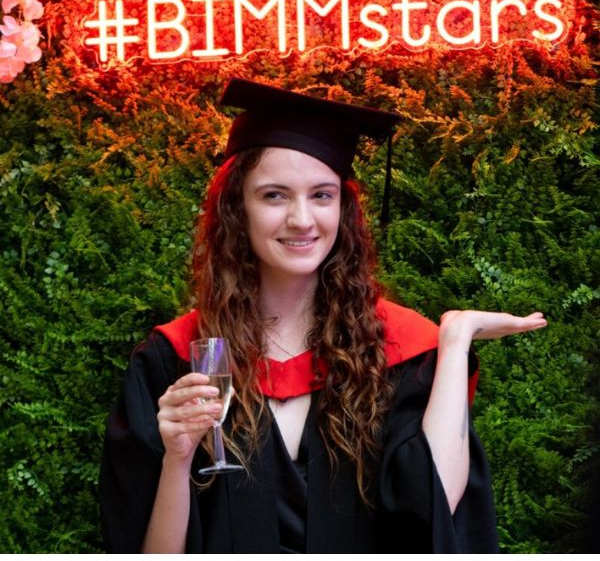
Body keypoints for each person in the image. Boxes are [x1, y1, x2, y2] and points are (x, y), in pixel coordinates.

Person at [99, 78, 547, 553]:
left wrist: (455, 341)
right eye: (274, 195)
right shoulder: (175, 360)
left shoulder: (397, 349)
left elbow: (431, 512)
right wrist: (176, 459)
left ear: (343, 210)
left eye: (321, 195)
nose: (301, 219)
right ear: (238, 209)